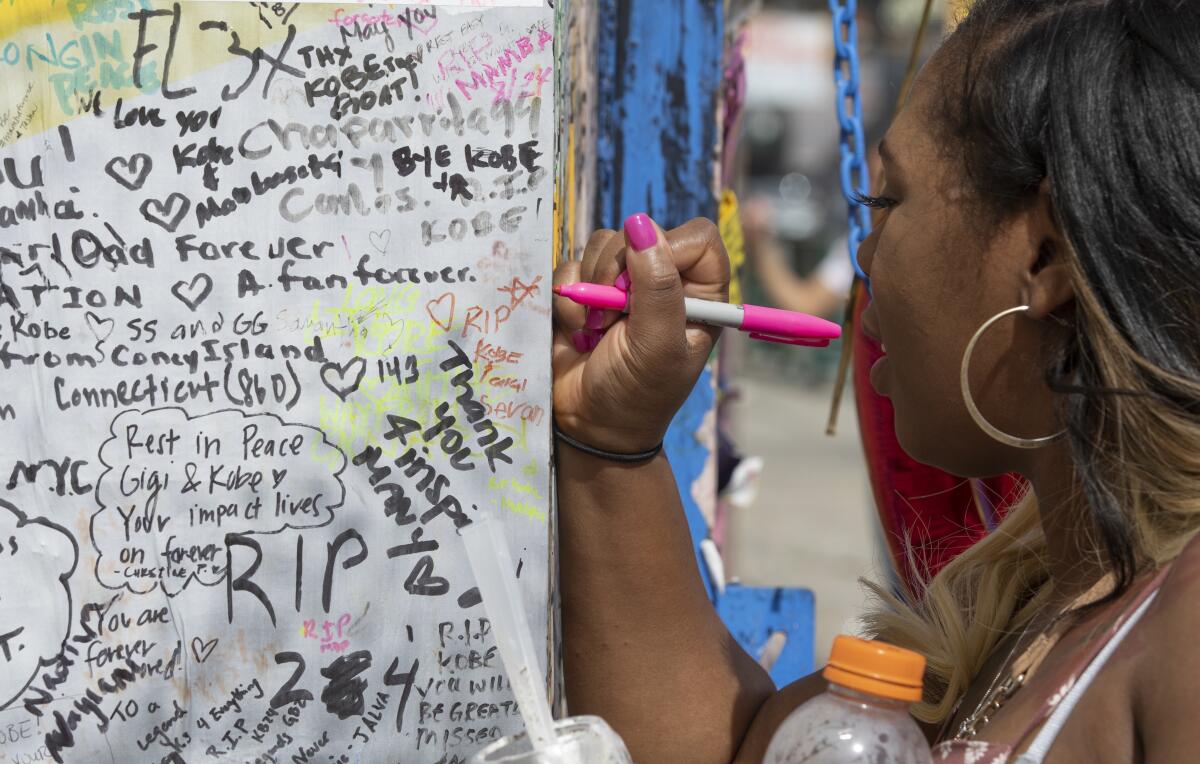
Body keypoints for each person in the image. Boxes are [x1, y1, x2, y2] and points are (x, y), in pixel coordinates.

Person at [550, 0, 1200, 761]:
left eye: (887, 201)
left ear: (1045, 259)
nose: (866, 258)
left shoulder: (1183, 630)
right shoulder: (1040, 601)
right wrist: (613, 437)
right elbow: (725, 750)